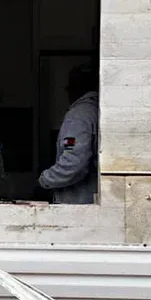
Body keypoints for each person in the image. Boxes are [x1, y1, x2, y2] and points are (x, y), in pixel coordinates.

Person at [37, 64, 99, 204]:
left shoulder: (79, 116)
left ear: (76, 87)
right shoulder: (96, 110)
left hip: (77, 203)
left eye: (69, 86)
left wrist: (44, 181)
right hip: (90, 200)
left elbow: (74, 164)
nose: (67, 91)